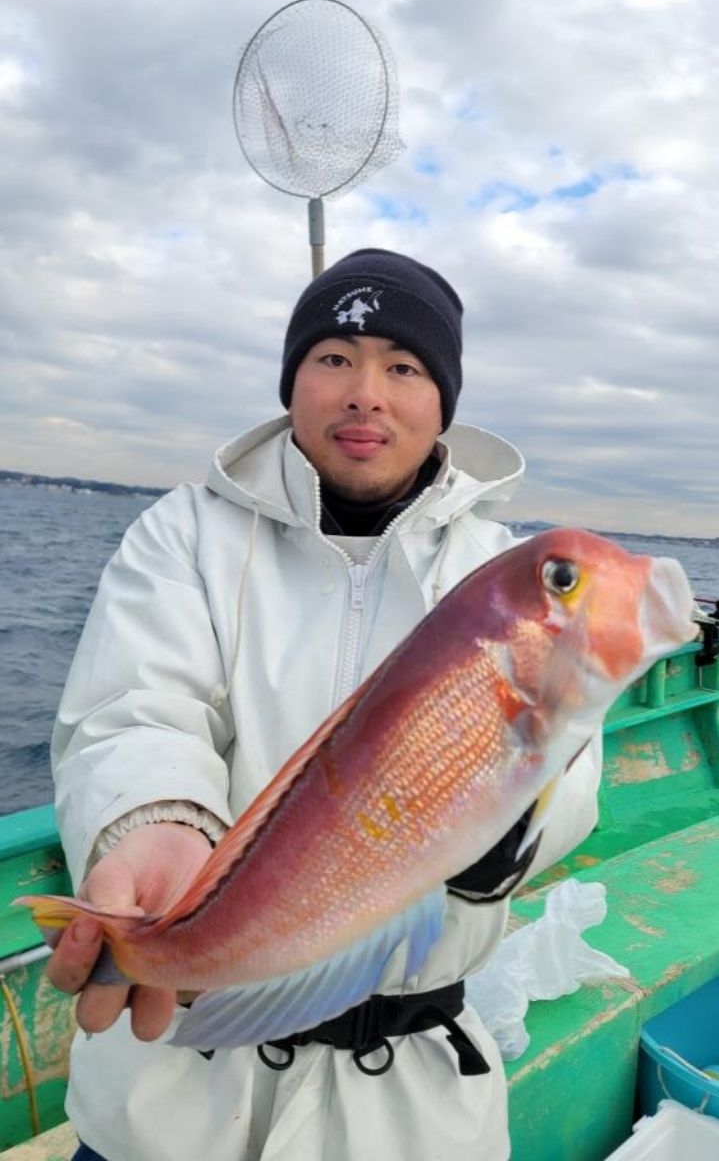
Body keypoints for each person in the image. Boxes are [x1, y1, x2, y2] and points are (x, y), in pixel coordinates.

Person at [47, 249, 603, 1161]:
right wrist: (148, 821)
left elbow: (569, 762)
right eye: (333, 357)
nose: (364, 393)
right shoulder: (184, 532)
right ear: (293, 380)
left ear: (443, 403)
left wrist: (500, 828)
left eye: (404, 365)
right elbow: (135, 710)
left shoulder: (502, 574)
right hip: (172, 1094)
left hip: (410, 1104)